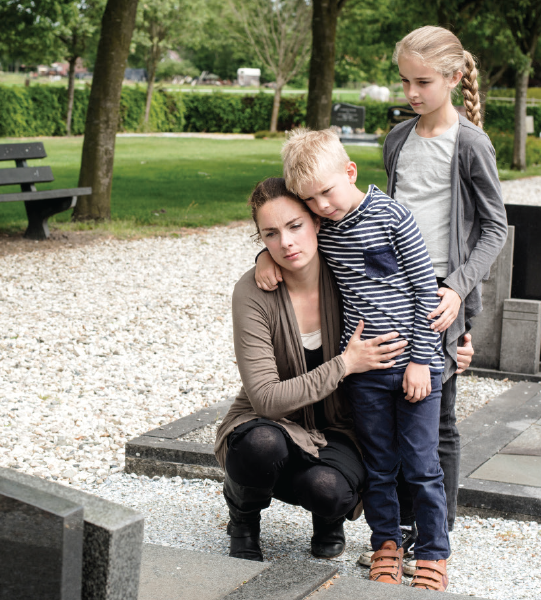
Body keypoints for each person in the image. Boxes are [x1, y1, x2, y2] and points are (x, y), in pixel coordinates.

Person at [255, 25, 507, 583]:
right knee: (391, 434)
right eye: (405, 81)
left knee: (433, 425)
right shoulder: (397, 140)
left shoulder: (470, 143)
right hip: (382, 287)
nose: (412, 92)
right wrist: (266, 258)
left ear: (453, 78)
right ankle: (394, 536)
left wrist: (458, 291)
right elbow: (313, 224)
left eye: (424, 82)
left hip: (439, 290)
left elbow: (495, 227)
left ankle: (433, 541)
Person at [215, 177, 476, 567]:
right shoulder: (253, 292)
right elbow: (266, 399)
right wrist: (345, 364)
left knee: (329, 490)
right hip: (271, 421)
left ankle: (327, 517)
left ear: (318, 222)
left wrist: (452, 346)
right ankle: (243, 511)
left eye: (295, 226)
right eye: (271, 234)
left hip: (340, 427)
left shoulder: (348, 275)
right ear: (261, 240)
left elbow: (411, 298)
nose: (286, 242)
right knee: (260, 447)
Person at [283, 128, 450, 590]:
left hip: (416, 368)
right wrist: (263, 256)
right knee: (379, 464)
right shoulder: (324, 227)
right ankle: (385, 547)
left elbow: (424, 291)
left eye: (326, 192)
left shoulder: (393, 216)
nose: (319, 206)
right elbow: (286, 239)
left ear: (350, 171)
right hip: (365, 371)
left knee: (420, 464)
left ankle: (434, 552)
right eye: (309, 199)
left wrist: (420, 361)